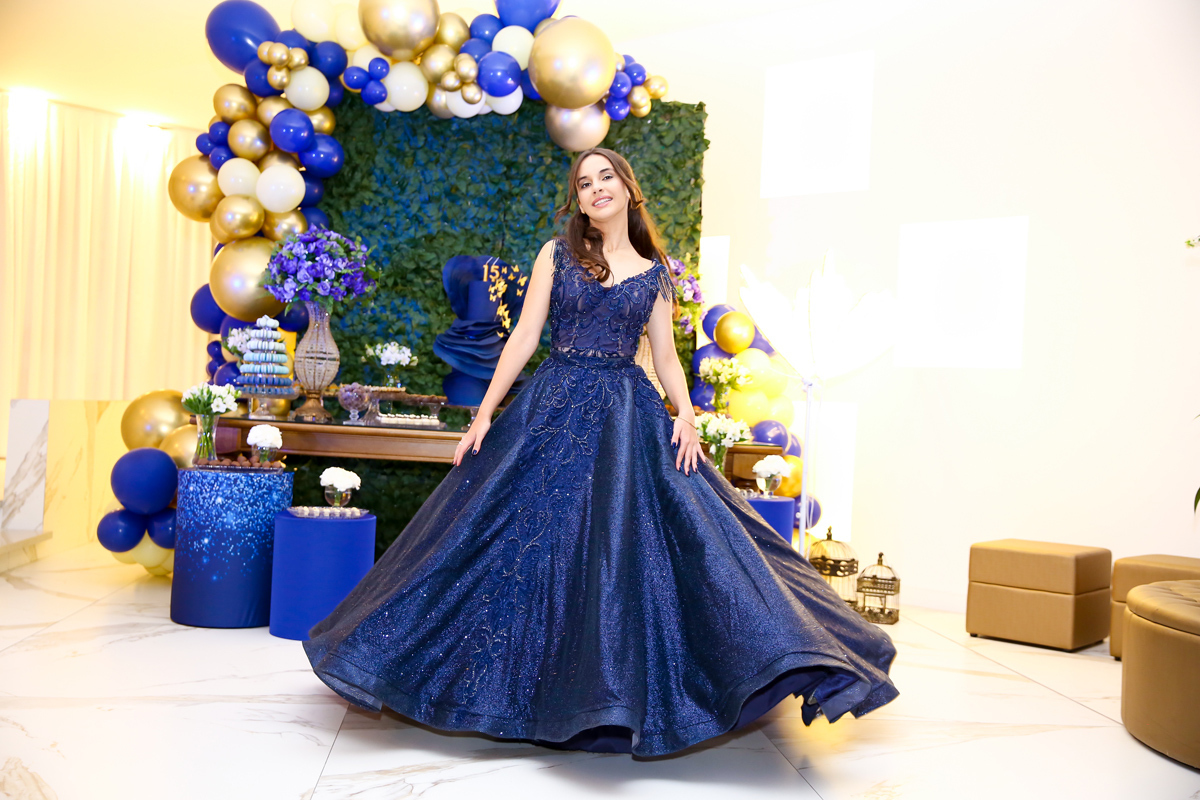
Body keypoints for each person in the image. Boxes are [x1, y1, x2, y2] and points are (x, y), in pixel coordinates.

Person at [304, 147, 898, 757]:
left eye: (605, 177)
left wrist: (686, 413)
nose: (595, 189)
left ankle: (651, 684)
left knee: (656, 541)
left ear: (628, 188)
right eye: (584, 183)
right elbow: (524, 337)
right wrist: (482, 415)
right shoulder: (556, 255)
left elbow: (666, 357)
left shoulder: (655, 273)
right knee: (503, 539)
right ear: (580, 200)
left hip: (626, 417)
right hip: (552, 407)